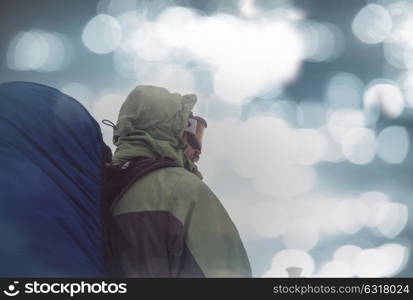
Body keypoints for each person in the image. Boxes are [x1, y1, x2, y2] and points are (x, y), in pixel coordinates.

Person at [108, 85, 252, 277]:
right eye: (192, 137)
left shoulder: (99, 185)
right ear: (170, 131)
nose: (198, 152)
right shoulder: (184, 191)